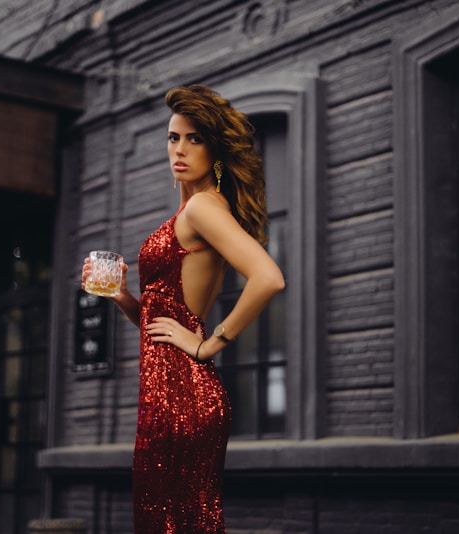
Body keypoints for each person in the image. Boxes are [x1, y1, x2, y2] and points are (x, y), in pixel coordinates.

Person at [82, 84, 285, 533]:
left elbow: (269, 277)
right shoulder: (192, 212)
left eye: (194, 138)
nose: (180, 148)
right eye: (173, 137)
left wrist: (208, 345)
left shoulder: (202, 210)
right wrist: (123, 299)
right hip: (169, 391)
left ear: (214, 149)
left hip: (181, 394)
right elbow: (164, 323)